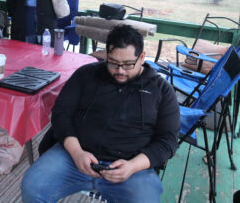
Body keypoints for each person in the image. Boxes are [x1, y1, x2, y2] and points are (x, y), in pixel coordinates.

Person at [21, 25, 180, 203]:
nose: (120, 70)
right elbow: (61, 114)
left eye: (128, 64)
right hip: (74, 156)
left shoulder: (162, 90)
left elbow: (168, 140)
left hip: (131, 168)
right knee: (32, 187)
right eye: (113, 62)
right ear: (106, 55)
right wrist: (77, 153)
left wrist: (133, 166)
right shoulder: (86, 75)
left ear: (142, 57)